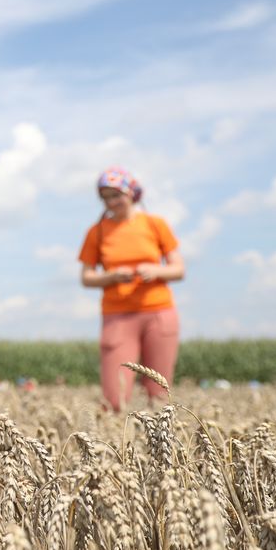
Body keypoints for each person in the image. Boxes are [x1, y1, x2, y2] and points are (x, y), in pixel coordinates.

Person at [78, 166, 184, 412]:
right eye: (105, 197)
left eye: (116, 195)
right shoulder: (97, 232)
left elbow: (178, 269)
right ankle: (118, 444)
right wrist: (112, 277)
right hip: (117, 316)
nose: (111, 202)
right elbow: (86, 277)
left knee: (159, 395)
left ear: (132, 193)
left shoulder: (155, 224)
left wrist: (156, 271)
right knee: (114, 400)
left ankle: (158, 447)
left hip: (158, 313)